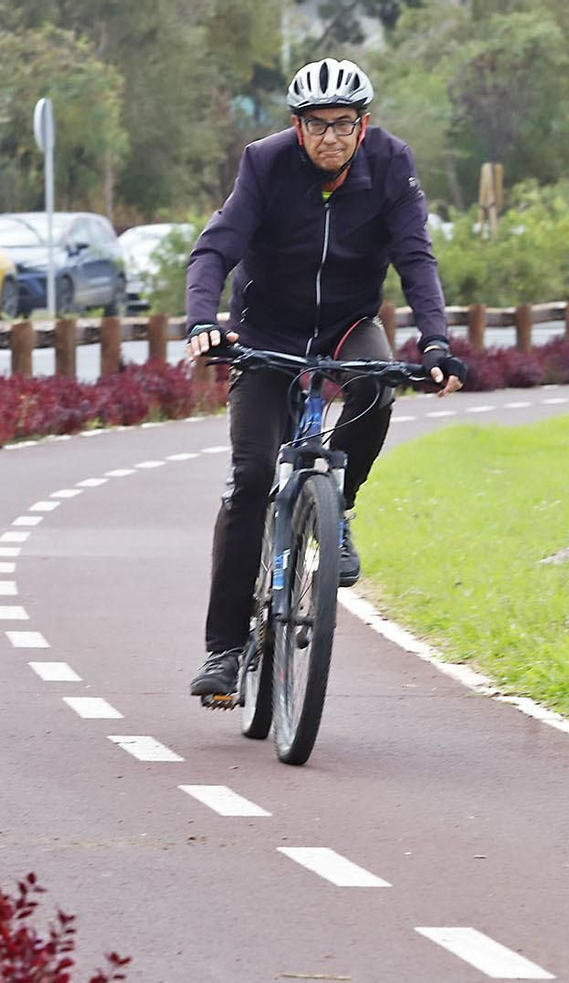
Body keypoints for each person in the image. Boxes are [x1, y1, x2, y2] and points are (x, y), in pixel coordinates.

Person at [182, 57, 466, 699]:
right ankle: (224, 650)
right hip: (265, 331)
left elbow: (415, 256)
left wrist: (437, 341)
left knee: (377, 381)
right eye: (317, 124)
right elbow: (215, 248)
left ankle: (340, 511)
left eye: (344, 124)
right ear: (297, 124)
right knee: (250, 479)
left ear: (363, 126)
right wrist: (204, 320)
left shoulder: (392, 164)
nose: (330, 137)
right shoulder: (265, 163)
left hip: (346, 323)